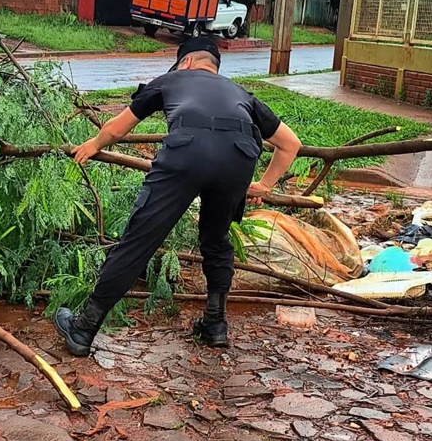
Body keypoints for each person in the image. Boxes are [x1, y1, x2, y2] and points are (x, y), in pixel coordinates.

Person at [54, 37, 302, 355]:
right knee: (216, 241)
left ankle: (84, 328)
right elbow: (290, 144)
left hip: (186, 153)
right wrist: (264, 185)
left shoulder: (171, 80)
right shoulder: (242, 94)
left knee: (139, 240)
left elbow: (118, 128)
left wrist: (94, 144)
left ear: (185, 62)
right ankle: (215, 324)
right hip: (238, 160)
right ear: (214, 67)